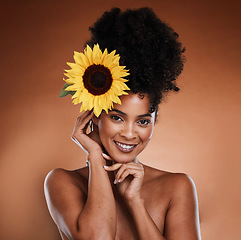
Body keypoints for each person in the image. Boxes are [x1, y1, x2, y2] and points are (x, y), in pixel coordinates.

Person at [44, 7, 201, 240]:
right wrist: (95, 156)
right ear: (96, 115)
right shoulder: (63, 182)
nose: (129, 134)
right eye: (117, 117)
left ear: (155, 120)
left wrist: (135, 202)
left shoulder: (177, 187)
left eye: (143, 121)